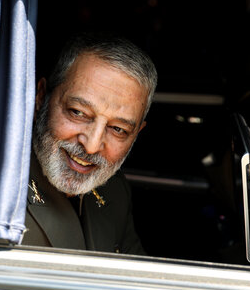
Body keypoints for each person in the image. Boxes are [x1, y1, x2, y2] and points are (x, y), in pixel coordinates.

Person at [22, 33, 157, 255]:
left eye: (118, 129)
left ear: (136, 135)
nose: (92, 146)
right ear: (41, 97)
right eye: (78, 113)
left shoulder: (115, 192)